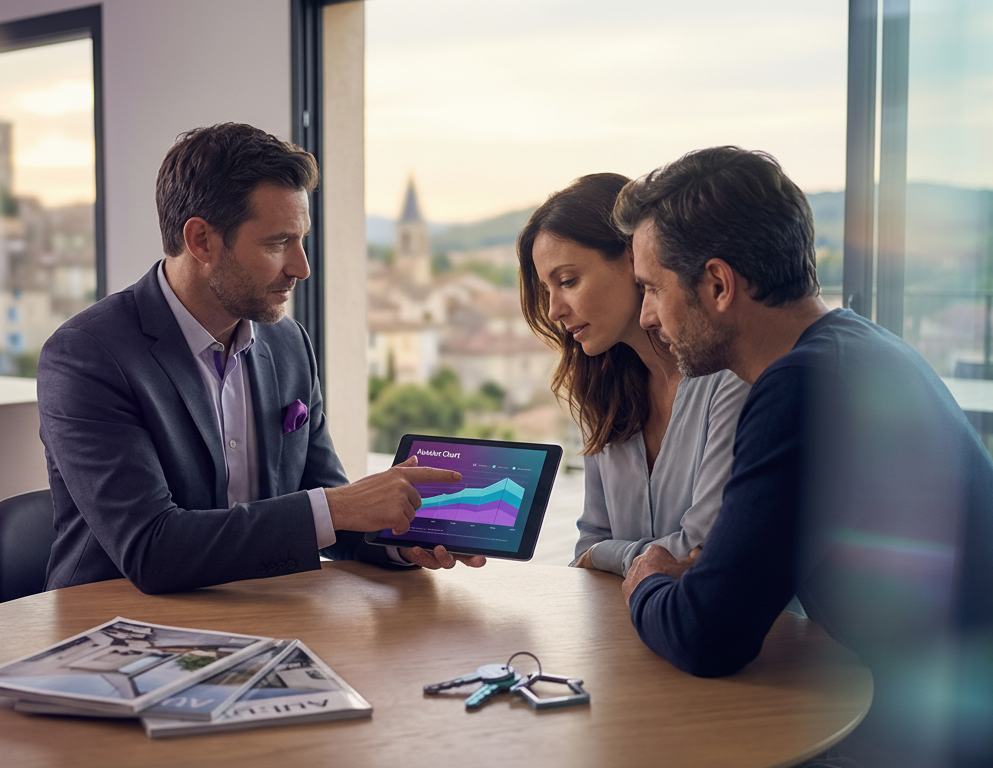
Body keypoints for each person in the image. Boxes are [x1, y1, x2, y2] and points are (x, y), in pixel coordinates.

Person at [614, 146, 993, 767]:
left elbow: (707, 638)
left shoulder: (804, 387)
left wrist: (645, 577)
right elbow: (741, 578)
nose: (647, 316)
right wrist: (708, 581)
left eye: (652, 288)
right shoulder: (852, 346)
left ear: (718, 285)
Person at [38, 122, 484, 594]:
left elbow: (328, 507)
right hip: (115, 620)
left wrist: (401, 538)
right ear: (201, 240)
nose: (301, 267)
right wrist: (339, 507)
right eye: (277, 243)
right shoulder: (87, 356)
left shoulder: (288, 343)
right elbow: (152, 548)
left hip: (260, 612)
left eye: (301, 240)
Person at [516, 173, 749, 577]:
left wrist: (607, 555)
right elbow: (589, 542)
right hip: (623, 616)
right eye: (547, 289)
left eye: (568, 281)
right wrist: (613, 555)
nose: (554, 310)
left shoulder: (730, 379)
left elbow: (702, 551)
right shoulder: (602, 393)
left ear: (635, 258)